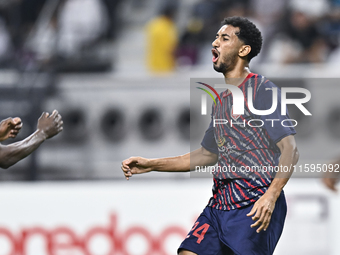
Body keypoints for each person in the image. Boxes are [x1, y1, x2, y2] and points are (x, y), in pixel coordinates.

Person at [122, 16, 299, 255]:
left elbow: (290, 149)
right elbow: (206, 154)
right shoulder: (222, 102)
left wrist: (271, 195)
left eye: (224, 38)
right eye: (216, 37)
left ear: (244, 50)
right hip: (219, 206)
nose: (215, 43)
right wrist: (152, 164)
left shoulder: (262, 90)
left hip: (254, 203)